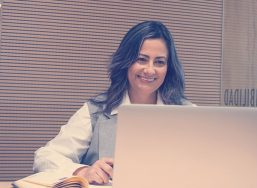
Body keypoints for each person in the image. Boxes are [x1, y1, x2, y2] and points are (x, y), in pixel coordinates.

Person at [33, 20, 194, 185]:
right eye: (141, 59)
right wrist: (83, 171)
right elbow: (45, 157)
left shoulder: (189, 114)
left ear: (169, 68)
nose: (150, 70)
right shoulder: (95, 111)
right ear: (126, 62)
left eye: (159, 62)